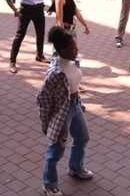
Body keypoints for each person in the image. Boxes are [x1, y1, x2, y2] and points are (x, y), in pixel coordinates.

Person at [38, 26, 93, 196]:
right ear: (62, 50)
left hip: (75, 104)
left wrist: (77, 95)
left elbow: (73, 82)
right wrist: (47, 121)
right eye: (73, 47)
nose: (77, 50)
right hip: (63, 111)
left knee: (83, 137)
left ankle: (76, 168)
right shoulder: (55, 73)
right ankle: (49, 184)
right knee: (56, 149)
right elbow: (42, 98)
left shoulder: (72, 61)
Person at [6, 0, 56, 74]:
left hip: (39, 8)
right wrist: (15, 10)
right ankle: (12, 61)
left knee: (40, 33)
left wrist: (53, 7)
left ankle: (40, 55)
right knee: (20, 35)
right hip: (25, 9)